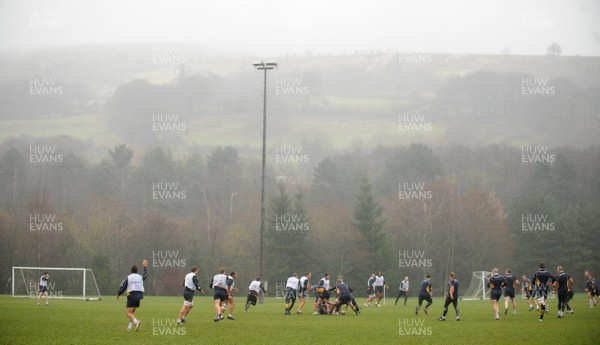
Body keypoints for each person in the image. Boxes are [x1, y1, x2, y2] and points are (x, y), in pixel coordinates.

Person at [116, 260, 148, 331]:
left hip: (132, 295)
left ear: (131, 270)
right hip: (139, 296)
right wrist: (145, 267)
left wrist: (118, 294)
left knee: (128, 313)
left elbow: (123, 286)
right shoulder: (140, 277)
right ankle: (129, 328)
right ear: (137, 271)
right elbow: (145, 275)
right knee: (132, 312)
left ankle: (136, 322)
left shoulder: (128, 277)